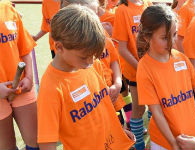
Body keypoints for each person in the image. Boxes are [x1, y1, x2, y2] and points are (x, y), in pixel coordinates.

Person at [36, 5, 134, 150]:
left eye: (94, 56)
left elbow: (102, 108)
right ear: (59, 47)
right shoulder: (51, 89)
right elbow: (47, 143)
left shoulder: (92, 65)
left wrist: (118, 131)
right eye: (84, 57)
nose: (90, 62)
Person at [136, 5, 195, 149]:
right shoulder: (144, 68)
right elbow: (157, 113)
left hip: (191, 136)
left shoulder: (181, 58)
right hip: (165, 142)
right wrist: (173, 143)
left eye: (174, 34)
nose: (172, 41)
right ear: (147, 37)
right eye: (164, 38)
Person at [112, 0, 152, 149]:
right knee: (139, 109)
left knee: (155, 106)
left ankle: (154, 140)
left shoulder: (147, 4)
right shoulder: (122, 10)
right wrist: (141, 68)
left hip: (152, 68)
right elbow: (122, 48)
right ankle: (139, 145)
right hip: (135, 71)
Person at [0, 1, 38, 150]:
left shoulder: (7, 8)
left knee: (36, 141)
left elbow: (25, 47)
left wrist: (29, 77)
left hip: (21, 88)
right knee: (6, 146)